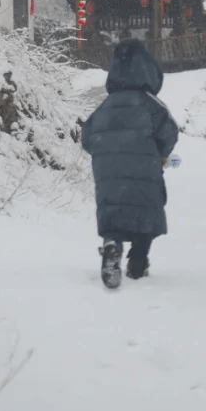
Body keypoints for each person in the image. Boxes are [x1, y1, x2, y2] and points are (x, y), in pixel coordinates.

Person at [81, 39, 179, 289]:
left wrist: (105, 155)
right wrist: (159, 154)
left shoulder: (105, 106)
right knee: (146, 211)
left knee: (114, 212)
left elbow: (87, 136)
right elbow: (170, 131)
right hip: (143, 168)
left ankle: (112, 245)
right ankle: (138, 261)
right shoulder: (149, 104)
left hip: (109, 174)